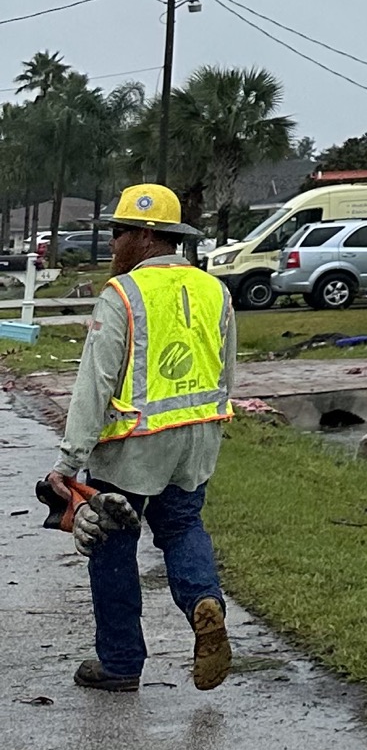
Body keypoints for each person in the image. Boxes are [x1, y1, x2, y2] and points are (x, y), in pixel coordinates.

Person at [55, 182, 234, 692]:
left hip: (131, 447)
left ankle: (120, 663)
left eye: (118, 233)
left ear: (147, 237)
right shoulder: (213, 289)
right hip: (196, 439)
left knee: (111, 544)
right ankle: (205, 602)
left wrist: (68, 463)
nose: (112, 244)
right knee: (180, 528)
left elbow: (95, 384)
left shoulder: (123, 295)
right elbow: (227, 370)